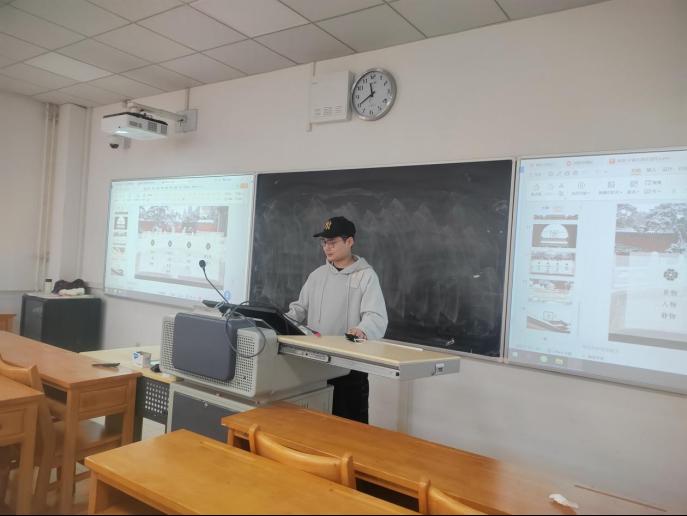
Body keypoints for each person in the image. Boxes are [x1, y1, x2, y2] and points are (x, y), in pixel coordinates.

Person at [286, 216, 388, 423]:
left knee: (349, 426)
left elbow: (375, 316)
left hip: (349, 368)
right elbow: (299, 309)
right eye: (324, 242)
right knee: (316, 422)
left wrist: (362, 330)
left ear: (349, 241)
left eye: (332, 242)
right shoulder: (317, 275)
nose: (327, 247)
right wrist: (280, 321)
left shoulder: (366, 276)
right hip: (315, 364)